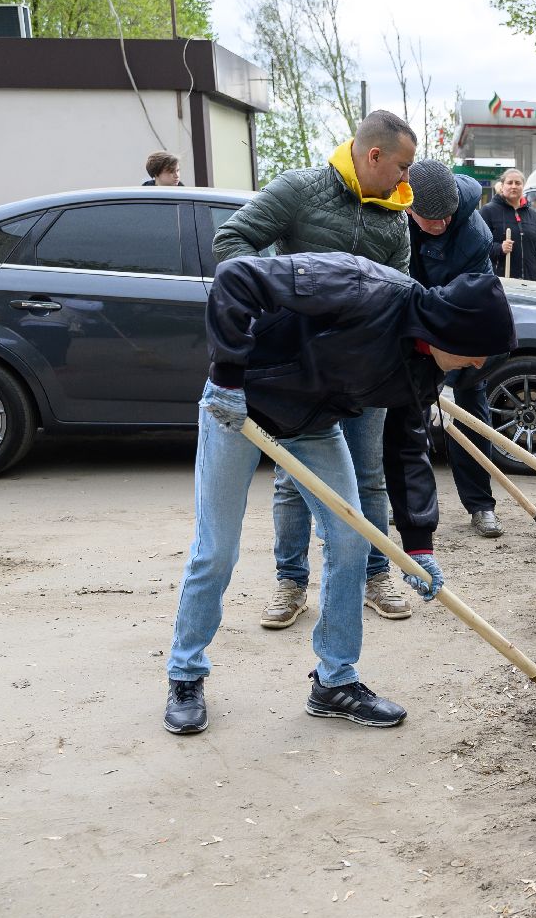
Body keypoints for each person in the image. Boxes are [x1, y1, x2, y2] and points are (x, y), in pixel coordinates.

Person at [162, 252, 515, 735]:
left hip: (312, 426)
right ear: (451, 332)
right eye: (479, 351)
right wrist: (226, 376)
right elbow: (235, 277)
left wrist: (419, 545)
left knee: (352, 544)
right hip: (238, 408)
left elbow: (407, 449)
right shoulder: (361, 286)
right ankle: (185, 674)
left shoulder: (426, 369)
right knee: (217, 549)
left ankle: (335, 682)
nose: (479, 363)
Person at [214, 110, 418, 629]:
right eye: (401, 166)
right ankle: (291, 581)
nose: (405, 179)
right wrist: (278, 309)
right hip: (298, 371)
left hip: (363, 369)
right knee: (291, 479)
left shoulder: (394, 219)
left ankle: (376, 575)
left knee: (369, 476)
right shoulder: (300, 190)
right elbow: (231, 244)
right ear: (374, 155)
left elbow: (399, 295)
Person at [404, 159, 504, 539]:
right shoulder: (396, 220)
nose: (441, 224)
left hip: (460, 322)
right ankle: (409, 507)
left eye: (447, 216)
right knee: (407, 421)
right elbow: (402, 287)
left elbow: (472, 300)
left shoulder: (473, 233)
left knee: (470, 409)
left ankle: (481, 506)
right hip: (412, 318)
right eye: (431, 219)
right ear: (410, 209)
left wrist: (452, 369)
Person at [479, 167, 536, 281]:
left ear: (523, 186)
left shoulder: (532, 215)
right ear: (502, 186)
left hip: (530, 282)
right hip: (499, 282)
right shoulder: (488, 211)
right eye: (509, 183)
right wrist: (499, 248)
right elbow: (478, 247)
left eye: (518, 183)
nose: (513, 186)